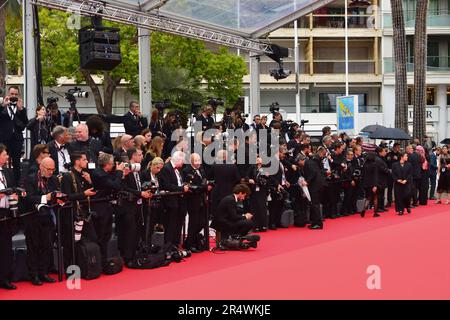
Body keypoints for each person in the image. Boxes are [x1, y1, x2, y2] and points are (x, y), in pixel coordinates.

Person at [23, 157, 60, 285]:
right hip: (32, 218)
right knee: (34, 247)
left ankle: (44, 272)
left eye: (53, 169)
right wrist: (45, 198)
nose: (51, 172)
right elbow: (28, 198)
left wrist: (58, 199)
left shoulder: (53, 179)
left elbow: (55, 195)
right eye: (48, 169)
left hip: (48, 217)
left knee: (47, 246)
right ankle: (34, 275)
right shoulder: (30, 179)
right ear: (41, 167)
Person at [60, 152, 97, 268]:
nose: (87, 162)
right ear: (77, 161)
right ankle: (69, 267)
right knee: (71, 243)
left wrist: (90, 181)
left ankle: (85, 264)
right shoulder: (68, 176)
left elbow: (94, 191)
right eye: (84, 159)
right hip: (72, 215)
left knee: (91, 238)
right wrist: (83, 194)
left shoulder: (85, 175)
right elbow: (67, 197)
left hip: (85, 213)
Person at [91, 153, 128, 266]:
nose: (113, 166)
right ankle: (100, 261)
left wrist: (121, 174)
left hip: (106, 206)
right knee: (101, 235)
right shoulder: (98, 173)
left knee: (106, 235)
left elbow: (115, 183)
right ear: (106, 164)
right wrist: (119, 172)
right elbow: (114, 185)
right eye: (112, 164)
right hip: (99, 207)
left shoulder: (105, 173)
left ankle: (104, 259)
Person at [117, 148, 152, 266]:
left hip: (139, 205)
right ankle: (127, 257)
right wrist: (140, 193)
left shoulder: (139, 170)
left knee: (137, 230)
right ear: (133, 156)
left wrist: (146, 190)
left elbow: (139, 185)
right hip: (128, 206)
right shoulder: (126, 169)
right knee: (129, 231)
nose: (142, 156)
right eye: (139, 154)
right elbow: (123, 187)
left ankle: (135, 254)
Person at [158, 151, 189, 246]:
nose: (183, 163)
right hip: (170, 202)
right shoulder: (166, 169)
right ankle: (169, 247)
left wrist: (184, 186)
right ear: (178, 160)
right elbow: (167, 185)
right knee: (171, 225)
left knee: (178, 224)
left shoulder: (177, 169)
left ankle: (176, 245)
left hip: (179, 201)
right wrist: (181, 188)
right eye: (182, 161)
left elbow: (178, 182)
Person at [181, 153, 211, 252]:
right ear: (191, 161)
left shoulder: (201, 170)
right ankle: (189, 244)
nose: (198, 163)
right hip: (192, 200)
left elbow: (204, 181)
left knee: (203, 221)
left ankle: (191, 239)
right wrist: (204, 187)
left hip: (202, 199)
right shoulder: (186, 171)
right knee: (193, 222)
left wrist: (206, 186)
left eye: (199, 160)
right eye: (196, 161)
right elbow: (191, 187)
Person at [0, 144, 20, 289]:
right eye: (5, 154)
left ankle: (4, 278)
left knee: (6, 246)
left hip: (6, 213)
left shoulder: (7, 171)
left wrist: (14, 195)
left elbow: (12, 187)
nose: (7, 157)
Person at [0, 86, 28, 181]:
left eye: (16, 94)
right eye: (12, 94)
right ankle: (3, 182)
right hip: (4, 139)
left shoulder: (21, 109)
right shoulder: (3, 107)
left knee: (16, 163)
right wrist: (3, 106)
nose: (13, 96)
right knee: (2, 161)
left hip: (17, 139)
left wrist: (21, 109)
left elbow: (25, 123)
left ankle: (16, 184)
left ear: (18, 95)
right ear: (8, 94)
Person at [299, 150, 327, 229]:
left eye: (299, 162)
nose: (299, 164)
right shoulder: (311, 162)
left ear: (301, 160)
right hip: (318, 185)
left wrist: (307, 182)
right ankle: (316, 222)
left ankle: (317, 223)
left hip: (316, 186)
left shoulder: (308, 163)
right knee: (315, 205)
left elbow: (313, 173)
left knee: (315, 205)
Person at [361, 152, 380, 218]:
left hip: (366, 184)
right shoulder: (374, 165)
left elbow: (362, 175)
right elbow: (375, 176)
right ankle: (375, 212)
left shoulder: (364, 164)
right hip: (372, 183)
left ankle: (364, 209)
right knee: (375, 198)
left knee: (368, 197)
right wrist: (375, 185)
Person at [386, 143, 401, 207]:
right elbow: (386, 162)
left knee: (397, 188)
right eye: (397, 147)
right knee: (390, 188)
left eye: (399, 147)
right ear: (394, 147)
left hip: (397, 173)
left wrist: (397, 159)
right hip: (390, 173)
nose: (398, 148)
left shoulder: (399, 155)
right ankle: (389, 201)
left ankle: (397, 201)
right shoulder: (389, 154)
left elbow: (401, 163)